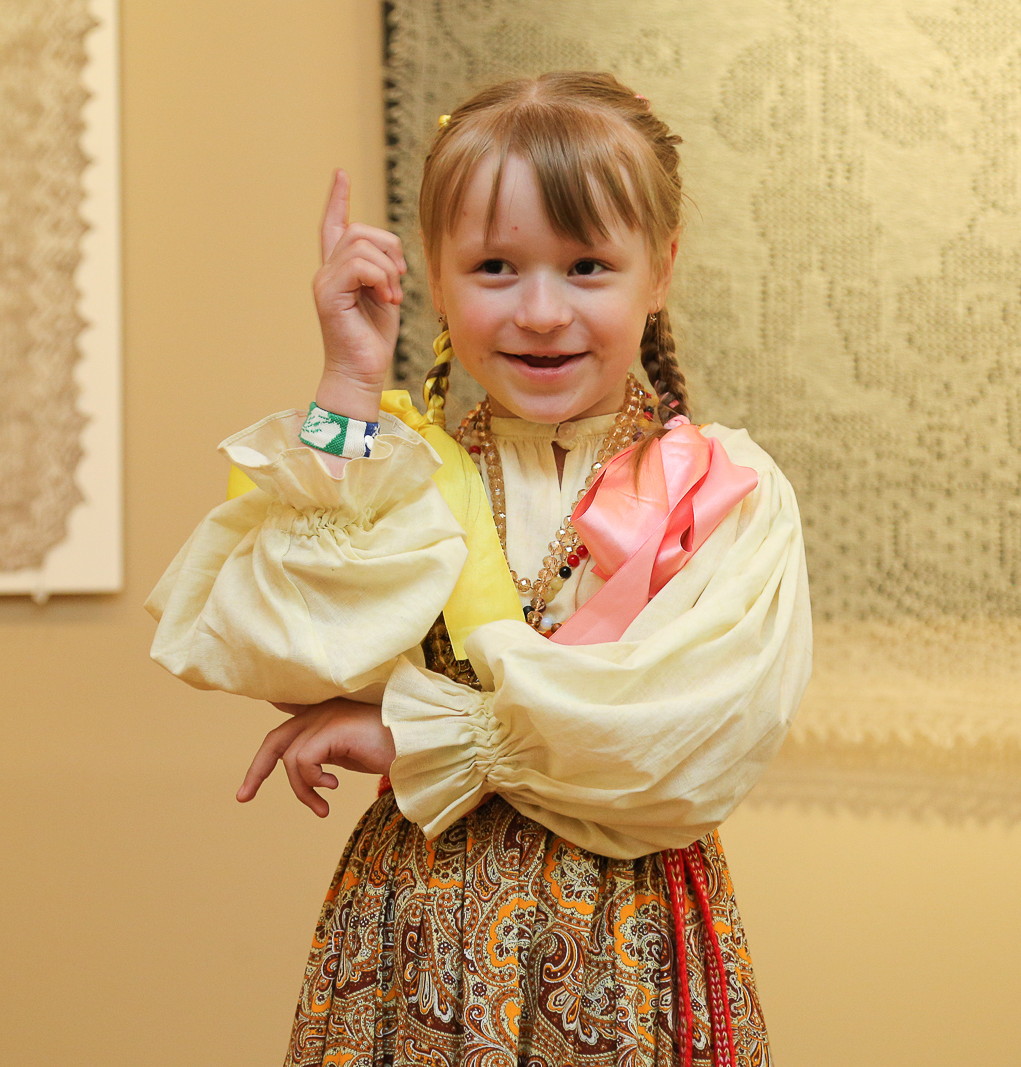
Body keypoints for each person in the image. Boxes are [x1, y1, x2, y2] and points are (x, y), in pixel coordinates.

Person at [147, 71, 810, 1066]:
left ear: (661, 268)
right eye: (495, 266)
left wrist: (416, 730)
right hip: (419, 933)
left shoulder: (729, 491)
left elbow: (678, 737)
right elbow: (283, 640)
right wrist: (347, 381)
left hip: (627, 942)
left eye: (587, 266)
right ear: (435, 271)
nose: (540, 311)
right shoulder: (394, 473)